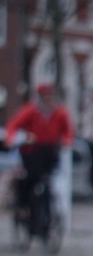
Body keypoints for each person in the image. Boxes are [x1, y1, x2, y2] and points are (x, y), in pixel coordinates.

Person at [4, 83, 74, 231]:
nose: (49, 100)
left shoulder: (60, 113)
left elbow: (68, 132)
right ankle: (23, 207)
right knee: (27, 179)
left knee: (49, 181)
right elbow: (13, 125)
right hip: (32, 151)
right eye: (46, 97)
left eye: (51, 97)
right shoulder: (31, 111)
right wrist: (10, 138)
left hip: (50, 152)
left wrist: (65, 142)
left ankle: (49, 215)